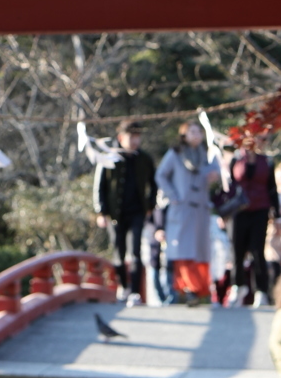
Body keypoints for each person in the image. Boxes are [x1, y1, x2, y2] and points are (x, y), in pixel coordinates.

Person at [155, 120, 222, 302]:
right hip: (182, 209)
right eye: (192, 132)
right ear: (184, 135)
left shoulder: (207, 154)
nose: (196, 135)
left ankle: (201, 289)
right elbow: (160, 175)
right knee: (183, 250)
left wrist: (214, 176)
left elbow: (217, 172)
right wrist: (173, 195)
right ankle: (186, 288)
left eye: (198, 132)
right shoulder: (175, 154)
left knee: (201, 251)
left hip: (201, 210)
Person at [94, 118, 156, 305]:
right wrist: (101, 211)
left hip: (137, 211)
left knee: (136, 251)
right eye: (131, 136)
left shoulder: (144, 159)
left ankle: (135, 292)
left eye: (138, 136)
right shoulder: (109, 156)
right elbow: (100, 186)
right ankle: (123, 286)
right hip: (115, 213)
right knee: (118, 253)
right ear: (121, 137)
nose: (135, 141)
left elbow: (153, 185)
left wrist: (150, 207)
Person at [225, 141, 278, 307]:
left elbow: (272, 188)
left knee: (257, 251)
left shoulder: (267, 162)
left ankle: (261, 291)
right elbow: (229, 187)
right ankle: (237, 287)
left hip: (260, 210)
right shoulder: (235, 160)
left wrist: (277, 214)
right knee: (237, 251)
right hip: (238, 211)